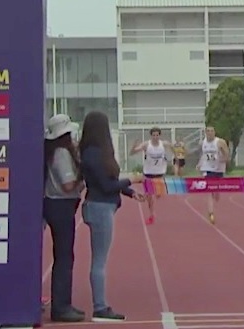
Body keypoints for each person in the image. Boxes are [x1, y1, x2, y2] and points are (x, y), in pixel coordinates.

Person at [79, 111, 145, 322]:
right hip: (99, 207)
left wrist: (130, 192)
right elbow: (106, 185)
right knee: (99, 260)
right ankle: (100, 307)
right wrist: (131, 180)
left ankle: (100, 305)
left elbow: (109, 181)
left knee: (100, 259)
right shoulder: (92, 153)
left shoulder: (98, 152)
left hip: (103, 206)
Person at [43, 114, 84, 323]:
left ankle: (62, 304)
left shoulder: (54, 151)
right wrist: (82, 180)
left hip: (56, 204)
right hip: (60, 204)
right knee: (64, 256)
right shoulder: (61, 153)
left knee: (63, 255)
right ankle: (60, 307)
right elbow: (68, 185)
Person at [130, 127, 172, 225]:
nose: (155, 137)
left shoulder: (164, 144)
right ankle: (151, 215)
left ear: (159, 135)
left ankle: (158, 192)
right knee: (149, 197)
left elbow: (173, 148)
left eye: (157, 135)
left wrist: (175, 159)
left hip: (160, 173)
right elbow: (132, 153)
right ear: (151, 136)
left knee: (158, 194)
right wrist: (134, 145)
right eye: (153, 135)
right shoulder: (146, 145)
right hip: (148, 173)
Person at [195, 126, 229, 224]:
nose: (210, 133)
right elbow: (203, 155)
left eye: (212, 131)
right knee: (209, 190)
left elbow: (227, 154)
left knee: (216, 193)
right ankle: (211, 213)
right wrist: (199, 164)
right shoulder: (202, 143)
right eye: (208, 131)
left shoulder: (220, 142)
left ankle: (216, 192)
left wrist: (223, 159)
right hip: (207, 169)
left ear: (214, 132)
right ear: (205, 133)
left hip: (219, 169)